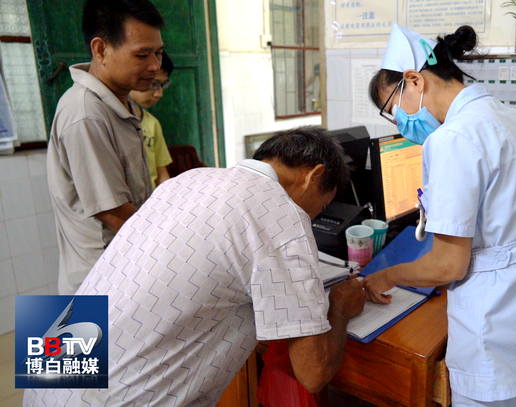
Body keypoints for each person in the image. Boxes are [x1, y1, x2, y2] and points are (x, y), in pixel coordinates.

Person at [25, 127, 366, 406]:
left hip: (45, 377)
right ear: (314, 176)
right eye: (319, 209)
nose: (313, 218)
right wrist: (338, 307)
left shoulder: (185, 181)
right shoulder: (282, 215)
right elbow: (313, 373)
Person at [364, 24, 516, 406]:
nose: (398, 123)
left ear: (414, 80)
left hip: (497, 350)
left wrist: (386, 276)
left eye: (392, 109)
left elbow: (448, 266)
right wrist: (512, 250)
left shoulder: (453, 139)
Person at [47, 0, 164, 295]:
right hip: (97, 284)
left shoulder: (118, 103)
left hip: (120, 272)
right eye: (142, 54)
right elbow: (113, 212)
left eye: (158, 53)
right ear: (101, 50)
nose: (155, 66)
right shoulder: (85, 113)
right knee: (61, 343)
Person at [130, 50, 174, 189]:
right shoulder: (107, 120)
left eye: (163, 85)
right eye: (153, 83)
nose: (159, 93)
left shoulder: (152, 124)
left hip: (152, 205)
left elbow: (162, 174)